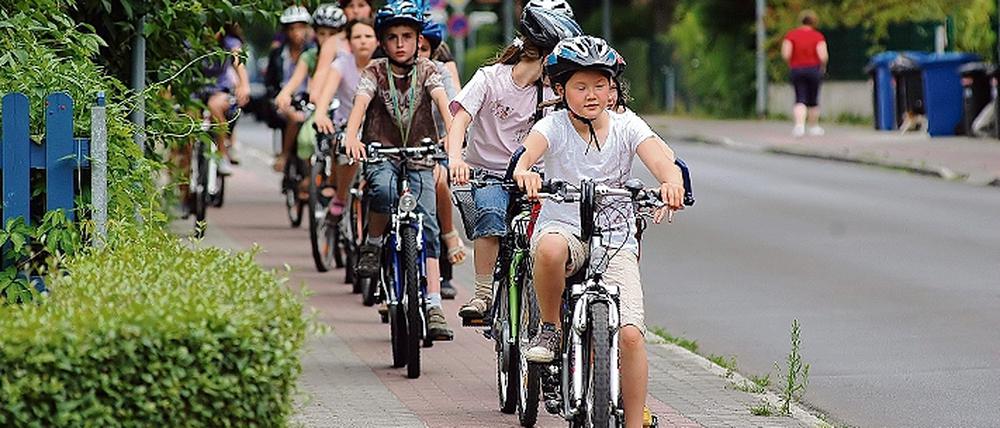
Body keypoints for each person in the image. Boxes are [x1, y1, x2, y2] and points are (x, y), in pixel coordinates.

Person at [511, 36, 685, 428]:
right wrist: (524, 171)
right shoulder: (551, 125)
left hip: (615, 236)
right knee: (550, 250)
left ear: (612, 88)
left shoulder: (627, 125)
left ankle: (634, 421)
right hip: (563, 224)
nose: (592, 95)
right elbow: (528, 153)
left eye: (600, 85)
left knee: (631, 335)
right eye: (580, 86)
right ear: (560, 89)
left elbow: (661, 159)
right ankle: (551, 329)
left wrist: (671, 182)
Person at [449, 6, 582, 322]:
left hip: (536, 177)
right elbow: (460, 120)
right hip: (489, 173)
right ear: (542, 55)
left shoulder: (555, 93)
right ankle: (482, 296)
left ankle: (554, 303)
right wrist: (455, 157)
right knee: (492, 215)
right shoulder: (490, 79)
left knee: (555, 231)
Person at [343, 1, 455, 341]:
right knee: (382, 190)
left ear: (419, 38)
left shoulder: (429, 71)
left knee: (429, 225)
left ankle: (433, 304)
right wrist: (351, 134)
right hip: (382, 152)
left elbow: (441, 101)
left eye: (408, 36)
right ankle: (374, 245)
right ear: (382, 41)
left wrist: (452, 134)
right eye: (392, 37)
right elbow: (361, 103)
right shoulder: (374, 72)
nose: (401, 44)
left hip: (421, 155)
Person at [418, 19, 467, 300]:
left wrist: (451, 136)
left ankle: (448, 236)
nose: (417, 52)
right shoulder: (383, 72)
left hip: (432, 148)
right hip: (398, 150)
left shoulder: (440, 72)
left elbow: (454, 107)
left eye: (424, 48)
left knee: (439, 181)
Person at [267, 6, 314, 172]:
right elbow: (270, 84)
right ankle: (284, 155)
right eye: (292, 28)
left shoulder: (313, 53)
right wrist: (277, 98)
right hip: (283, 100)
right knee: (293, 117)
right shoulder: (277, 54)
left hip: (308, 100)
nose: (297, 33)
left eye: (301, 27)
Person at [201, 23, 250, 176]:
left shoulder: (229, 42)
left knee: (214, 106)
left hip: (220, 88)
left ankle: (222, 154)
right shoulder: (191, 42)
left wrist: (244, 85)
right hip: (195, 89)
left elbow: (238, 62)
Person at [782, 9, 828, 137]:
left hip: (797, 69)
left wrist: (791, 63)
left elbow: (786, 53)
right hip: (813, 69)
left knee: (800, 98)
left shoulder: (791, 35)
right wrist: (822, 66)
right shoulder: (818, 36)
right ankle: (813, 127)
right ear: (814, 22)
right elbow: (823, 55)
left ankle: (799, 126)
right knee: (813, 99)